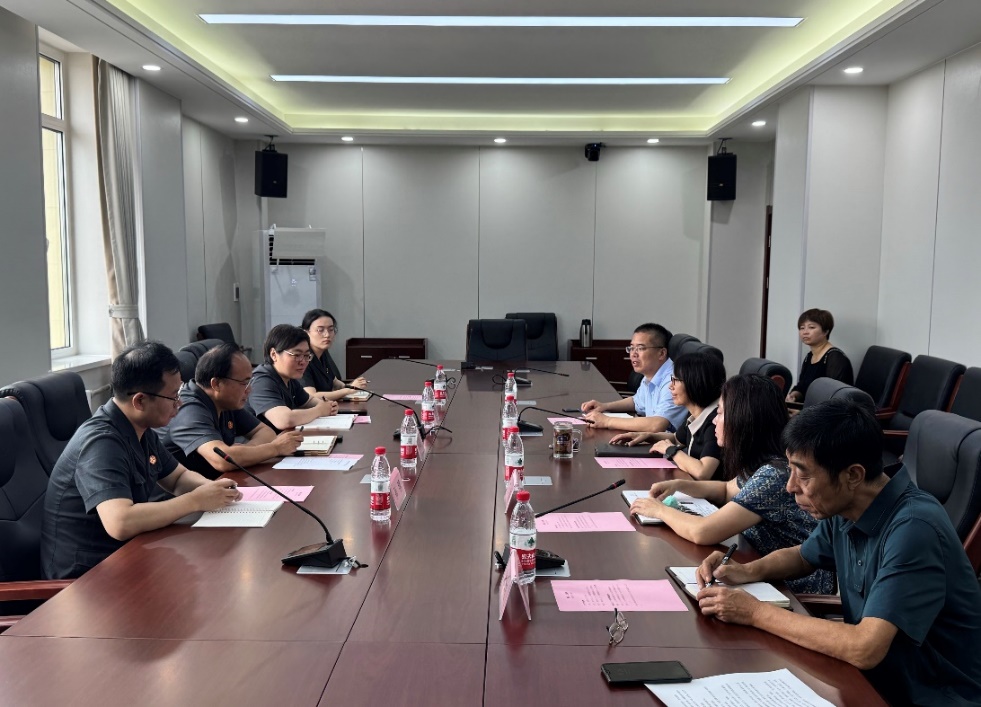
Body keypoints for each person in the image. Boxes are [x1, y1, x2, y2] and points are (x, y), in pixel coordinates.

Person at [695, 400, 981, 705]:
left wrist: (754, 612)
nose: (791, 487)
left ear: (853, 475)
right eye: (790, 471)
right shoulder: (847, 506)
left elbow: (864, 648)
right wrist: (745, 570)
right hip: (871, 681)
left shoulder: (914, 528)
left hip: (932, 696)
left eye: (803, 475)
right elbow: (802, 556)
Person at [41, 341, 243, 580]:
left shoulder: (140, 428)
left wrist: (212, 489)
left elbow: (177, 478)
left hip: (128, 556)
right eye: (173, 396)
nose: (179, 404)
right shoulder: (101, 442)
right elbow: (120, 522)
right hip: (87, 578)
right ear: (139, 401)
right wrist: (196, 500)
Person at [629, 374, 834, 594]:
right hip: (759, 567)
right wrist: (680, 485)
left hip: (792, 589)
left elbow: (703, 532)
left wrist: (658, 510)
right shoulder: (761, 462)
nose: (714, 421)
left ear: (742, 419)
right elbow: (727, 489)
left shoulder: (774, 474)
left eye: (719, 413)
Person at [160, 343, 304, 479]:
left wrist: (245, 452)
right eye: (244, 383)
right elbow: (223, 460)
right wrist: (275, 448)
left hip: (221, 482)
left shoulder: (225, 400)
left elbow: (265, 432)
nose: (249, 389)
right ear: (216, 384)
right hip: (187, 493)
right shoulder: (188, 410)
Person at [609, 352, 726, 480]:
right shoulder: (696, 414)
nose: (671, 386)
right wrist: (647, 436)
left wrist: (671, 451)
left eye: (676, 380)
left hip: (708, 492)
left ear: (696, 382)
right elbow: (677, 439)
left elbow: (703, 472)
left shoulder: (715, 422)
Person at [580, 323, 687, 433]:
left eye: (640, 348)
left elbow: (657, 425)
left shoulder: (673, 381)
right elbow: (636, 402)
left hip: (668, 442)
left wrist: (607, 421)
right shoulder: (651, 374)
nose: (633, 354)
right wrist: (605, 406)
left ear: (661, 353)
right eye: (631, 348)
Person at [248, 324, 339, 431]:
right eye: (296, 355)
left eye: (306, 356)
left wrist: (328, 405)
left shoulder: (289, 379)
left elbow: (308, 401)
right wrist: (319, 410)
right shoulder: (261, 381)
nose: (303, 362)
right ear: (274, 354)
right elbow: (285, 420)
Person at [786, 308, 853, 403]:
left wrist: (804, 410)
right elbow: (802, 387)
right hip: (810, 407)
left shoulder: (836, 359)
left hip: (831, 410)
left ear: (825, 331)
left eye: (811, 327)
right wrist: (793, 396)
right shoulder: (809, 356)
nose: (805, 332)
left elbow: (835, 397)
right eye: (802, 328)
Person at [300, 308, 368, 401]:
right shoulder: (302, 359)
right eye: (320, 330)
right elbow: (311, 396)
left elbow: (335, 382)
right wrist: (348, 390)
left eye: (331, 329)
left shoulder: (322, 352)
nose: (327, 335)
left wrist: (353, 385)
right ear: (306, 332)